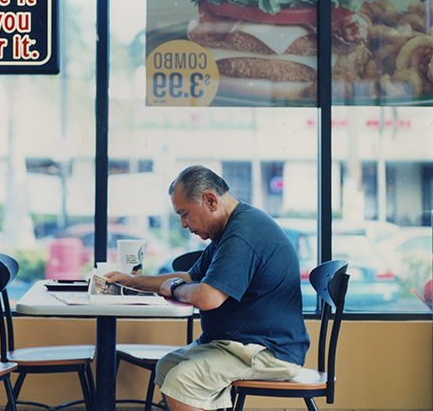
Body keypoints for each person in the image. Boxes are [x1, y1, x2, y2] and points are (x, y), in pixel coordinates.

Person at [106, 165, 310, 411]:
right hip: (236, 344)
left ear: (210, 200)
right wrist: (134, 281)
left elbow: (207, 296)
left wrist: (175, 288)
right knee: (167, 366)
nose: (183, 224)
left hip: (267, 351)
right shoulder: (226, 231)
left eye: (185, 214)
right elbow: (191, 277)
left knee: (181, 380)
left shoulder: (243, 233)